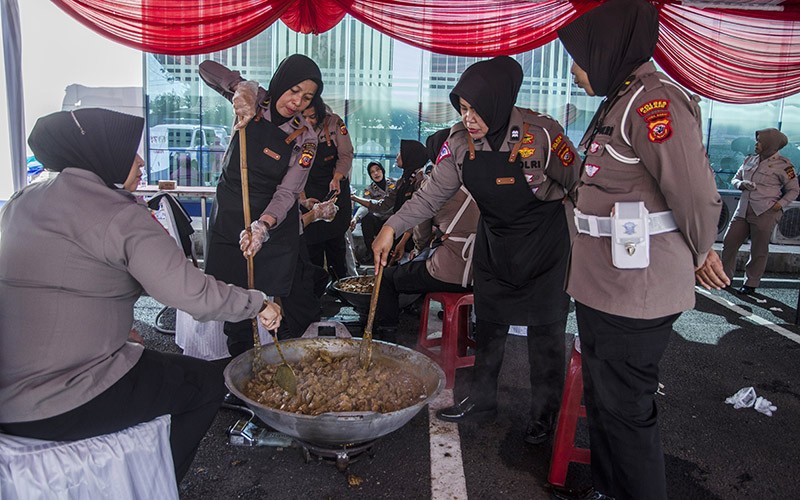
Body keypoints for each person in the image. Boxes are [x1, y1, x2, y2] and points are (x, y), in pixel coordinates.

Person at [0, 108, 283, 483]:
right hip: (62, 396)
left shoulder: (24, 200)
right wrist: (259, 302)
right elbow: (193, 294)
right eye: (130, 151)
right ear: (102, 155)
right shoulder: (120, 214)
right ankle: (157, 482)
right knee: (204, 384)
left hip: (7, 387)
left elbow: (60, 281)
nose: (139, 161)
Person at [556, 1, 729, 498]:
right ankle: (608, 490)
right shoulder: (620, 99)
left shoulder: (655, 101)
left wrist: (701, 249)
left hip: (635, 293)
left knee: (628, 412)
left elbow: (693, 192)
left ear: (607, 48)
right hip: (602, 287)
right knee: (606, 403)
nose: (574, 68)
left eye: (580, 55)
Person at [372, 56, 581, 446]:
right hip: (496, 243)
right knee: (489, 327)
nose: (468, 118)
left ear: (500, 103)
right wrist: (390, 226)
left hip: (545, 248)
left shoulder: (544, 134)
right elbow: (431, 196)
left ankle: (544, 415)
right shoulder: (458, 144)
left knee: (545, 335)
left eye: (476, 109)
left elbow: (579, 184)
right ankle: (482, 401)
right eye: (463, 108)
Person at [199, 55, 322, 354]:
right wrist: (240, 87)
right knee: (236, 302)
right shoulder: (255, 100)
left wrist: (263, 226)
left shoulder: (305, 138)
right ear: (281, 82)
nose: (297, 102)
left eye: (306, 98)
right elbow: (206, 69)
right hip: (231, 215)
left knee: (284, 303)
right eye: (294, 90)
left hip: (272, 224)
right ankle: (242, 370)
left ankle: (285, 360)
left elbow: (287, 192)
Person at [374, 133, 480, 340]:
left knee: (387, 278)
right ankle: (462, 330)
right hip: (484, 273)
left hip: (451, 272)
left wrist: (416, 247)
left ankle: (386, 337)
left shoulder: (436, 186)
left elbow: (421, 234)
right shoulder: (481, 180)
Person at [721, 128, 799, 295]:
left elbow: (794, 190)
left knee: (758, 249)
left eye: (760, 141)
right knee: (729, 242)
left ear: (771, 144)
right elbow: (736, 178)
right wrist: (740, 184)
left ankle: (751, 283)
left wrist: (780, 205)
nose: (757, 144)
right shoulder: (750, 159)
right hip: (743, 209)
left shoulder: (784, 165)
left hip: (765, 211)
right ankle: (725, 278)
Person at [300, 95, 354, 282]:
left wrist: (337, 177)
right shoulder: (294, 128)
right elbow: (293, 170)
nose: (308, 121)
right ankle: (314, 289)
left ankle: (340, 285)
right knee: (311, 243)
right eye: (304, 116)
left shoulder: (335, 123)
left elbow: (346, 154)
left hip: (335, 188)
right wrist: (302, 198)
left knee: (336, 242)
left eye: (313, 116)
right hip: (308, 189)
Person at [350, 161, 396, 261]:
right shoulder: (369, 189)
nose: (376, 173)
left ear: (383, 171)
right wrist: (355, 218)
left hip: (392, 220)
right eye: (372, 172)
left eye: (378, 170)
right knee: (367, 218)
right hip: (378, 220)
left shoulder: (394, 183)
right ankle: (370, 252)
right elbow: (365, 206)